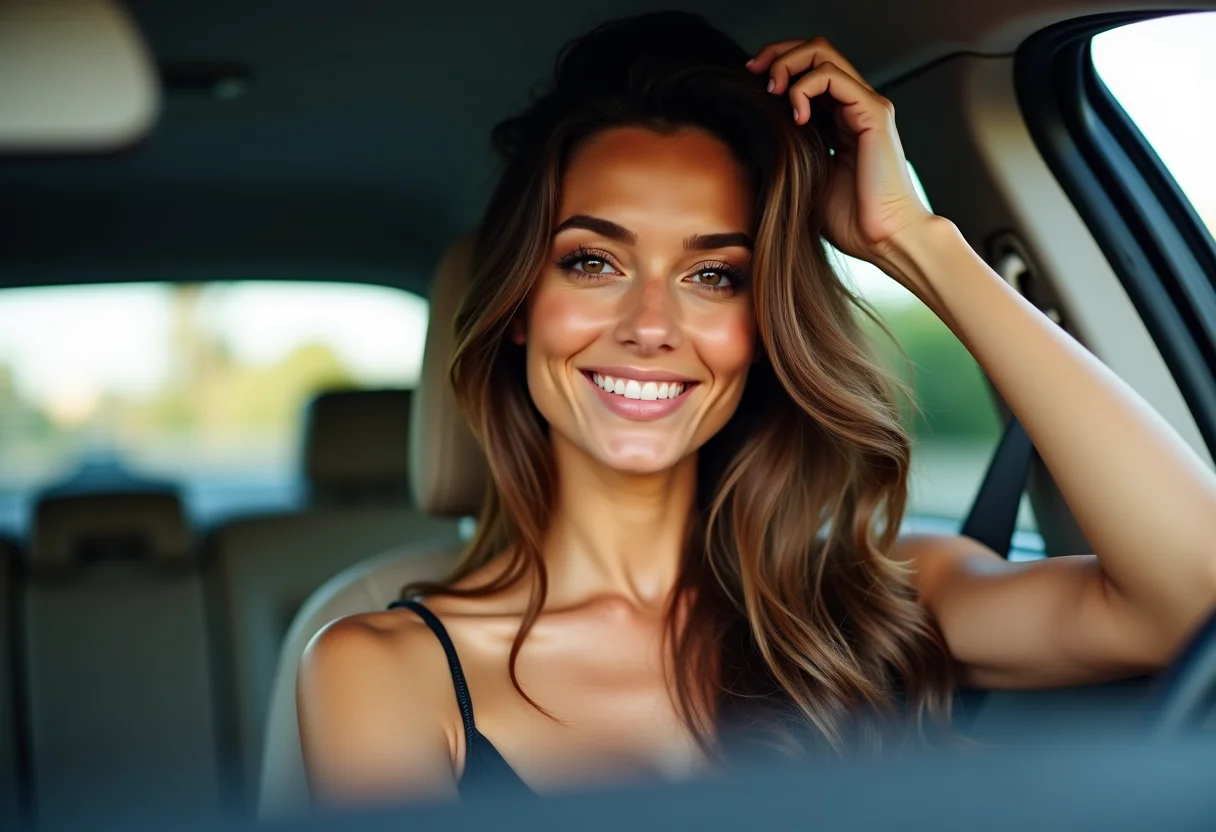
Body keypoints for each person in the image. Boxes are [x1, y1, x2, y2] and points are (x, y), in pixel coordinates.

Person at [297, 11, 1216, 805]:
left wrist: (916, 244)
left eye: (712, 276)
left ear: (762, 326)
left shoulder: (876, 595)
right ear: (518, 312)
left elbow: (1195, 597)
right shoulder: (381, 671)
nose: (651, 325)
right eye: (593, 261)